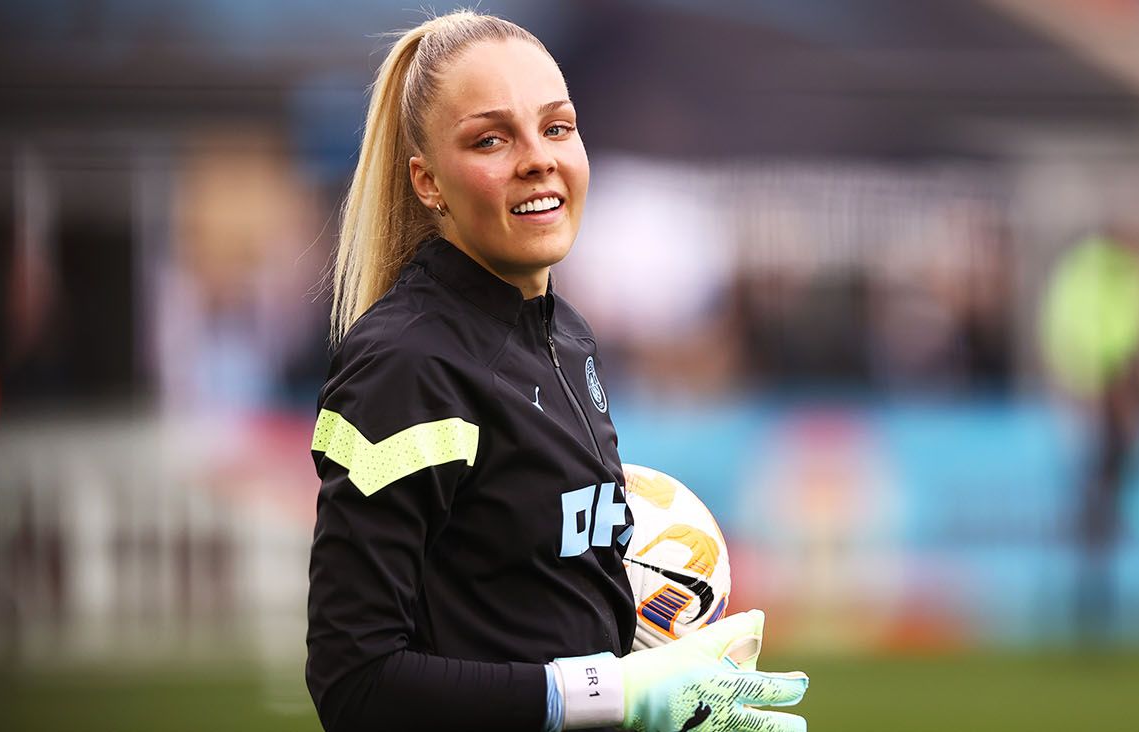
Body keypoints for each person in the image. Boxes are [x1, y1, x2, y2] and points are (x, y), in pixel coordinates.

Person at [305, 10, 809, 732]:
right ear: (428, 182)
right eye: (490, 139)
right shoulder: (407, 365)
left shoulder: (568, 336)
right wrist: (620, 695)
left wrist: (642, 687)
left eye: (557, 127)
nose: (538, 158)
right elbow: (355, 684)